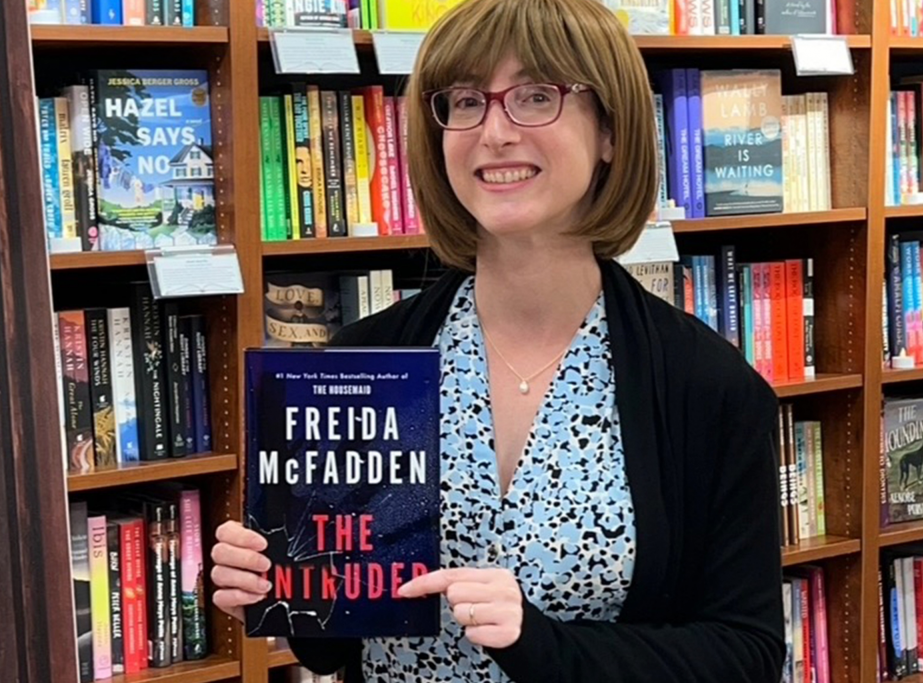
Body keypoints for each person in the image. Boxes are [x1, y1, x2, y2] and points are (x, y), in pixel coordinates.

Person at [210, 0, 786, 680]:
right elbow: (331, 644)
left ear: (610, 131)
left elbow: (745, 654)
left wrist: (544, 645)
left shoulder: (705, 385)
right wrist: (270, 582)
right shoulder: (364, 363)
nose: (494, 132)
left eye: (536, 96)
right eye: (465, 101)